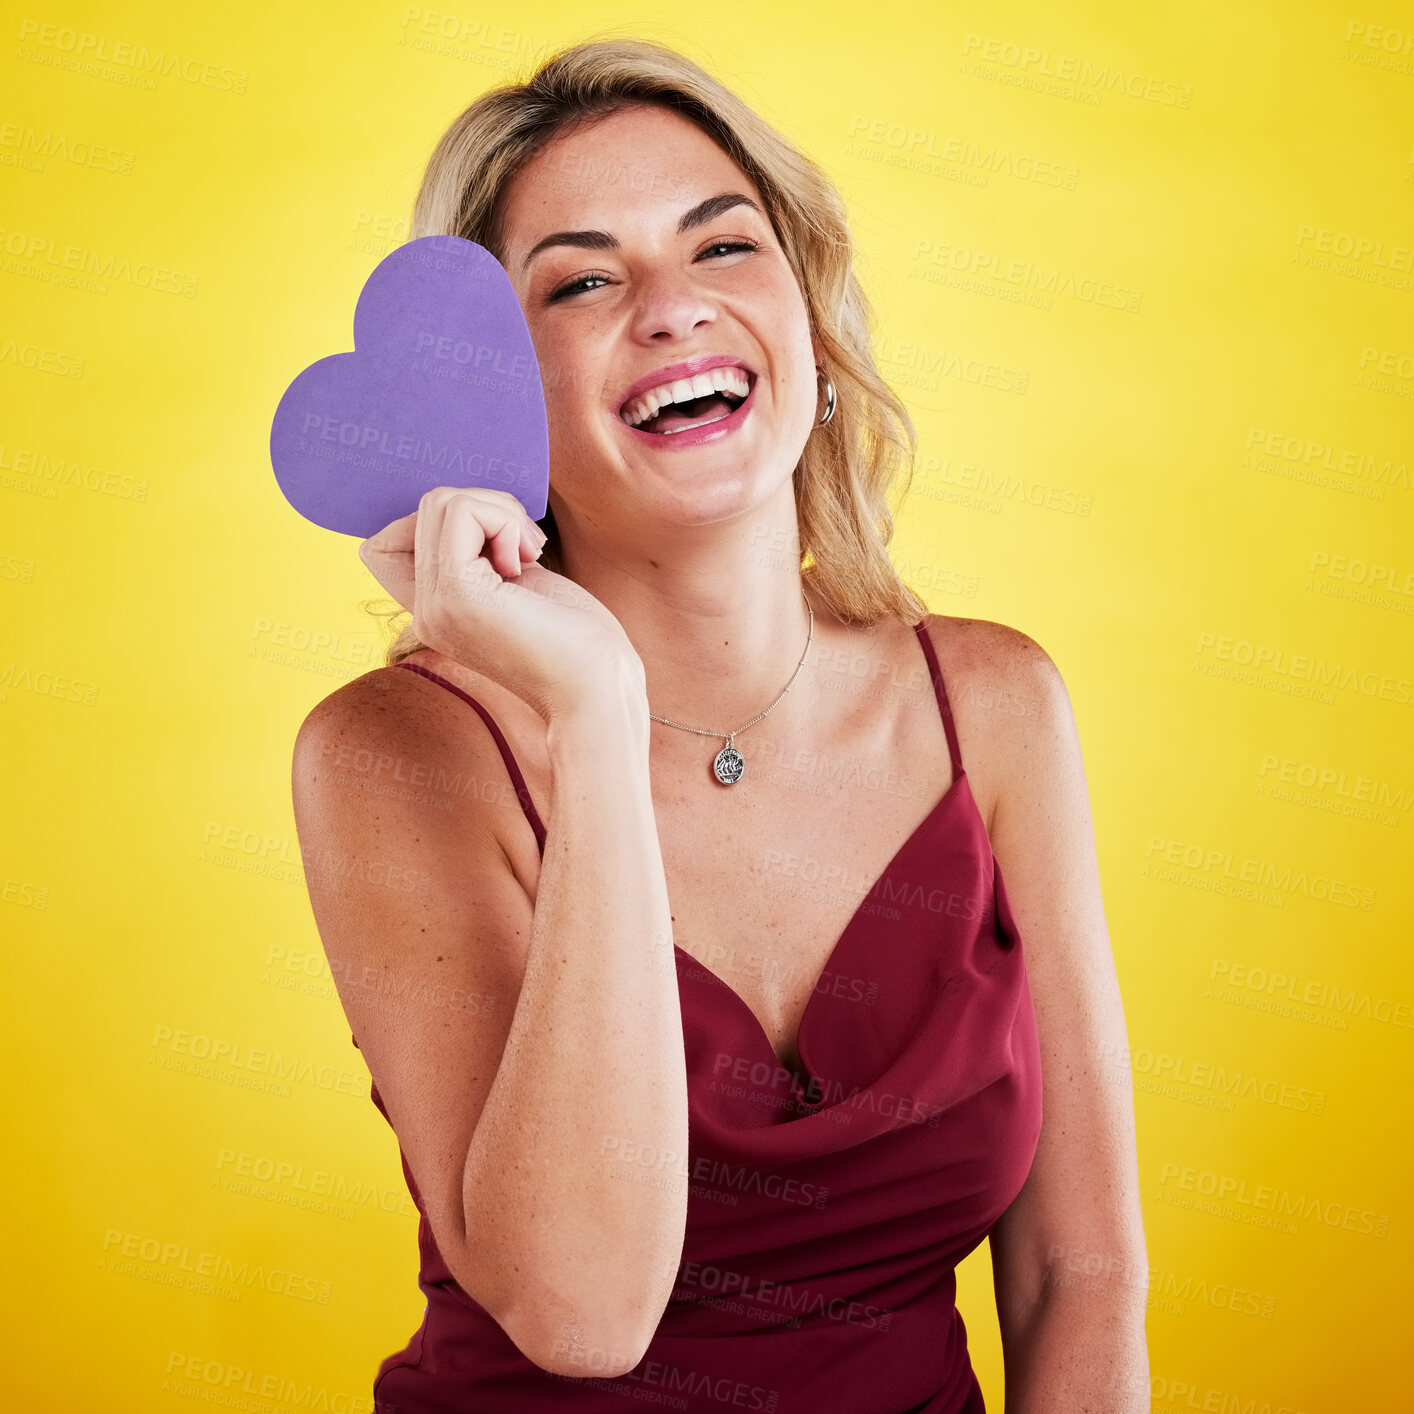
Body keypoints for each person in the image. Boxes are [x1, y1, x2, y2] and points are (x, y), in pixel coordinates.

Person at [291, 35, 1148, 1414]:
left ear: (806, 312)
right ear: (491, 393)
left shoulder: (994, 708)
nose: (672, 308)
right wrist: (593, 705)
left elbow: (1079, 1277)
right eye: (582, 279)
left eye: (723, 248)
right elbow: (580, 1312)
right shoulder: (396, 756)